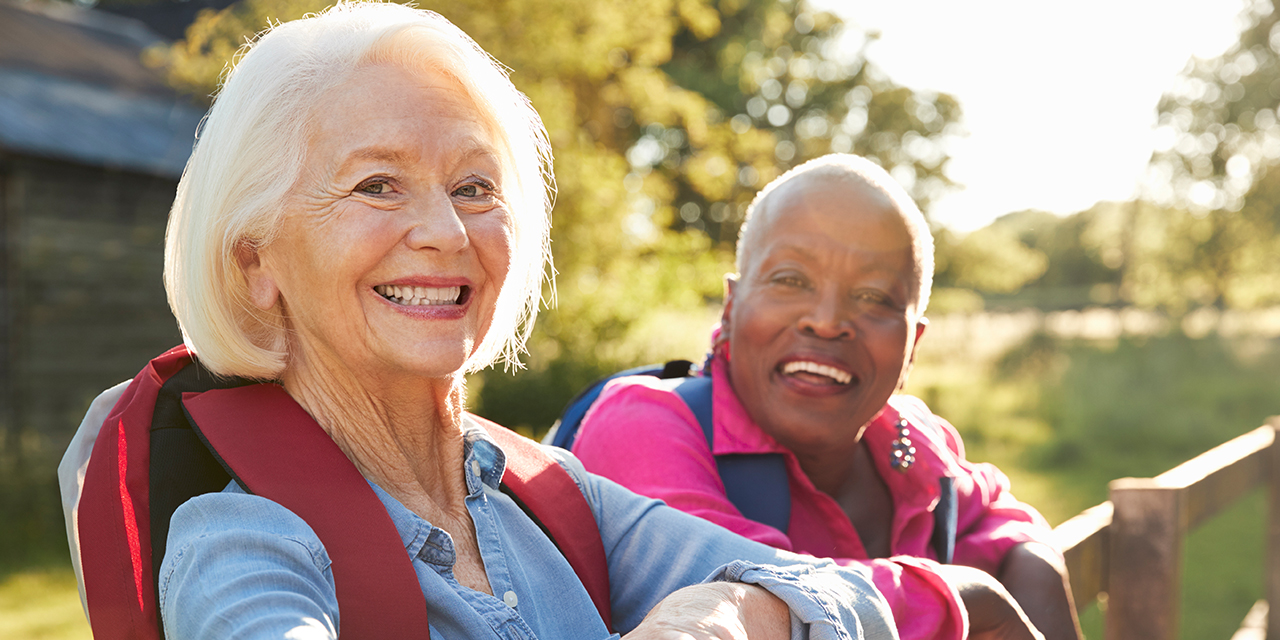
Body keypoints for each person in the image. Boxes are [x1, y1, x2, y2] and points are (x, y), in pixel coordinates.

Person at [56, 6, 903, 639]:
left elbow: (850, 598)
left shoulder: (554, 501)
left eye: (474, 188)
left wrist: (720, 615)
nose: (447, 233)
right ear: (256, 261)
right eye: (377, 185)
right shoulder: (243, 546)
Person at [572, 154, 1082, 640]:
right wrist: (969, 598)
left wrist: (1035, 560)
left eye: (873, 297)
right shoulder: (644, 425)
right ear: (730, 309)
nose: (828, 320)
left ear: (912, 348)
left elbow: (996, 514)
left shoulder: (911, 442)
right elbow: (758, 604)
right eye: (790, 280)